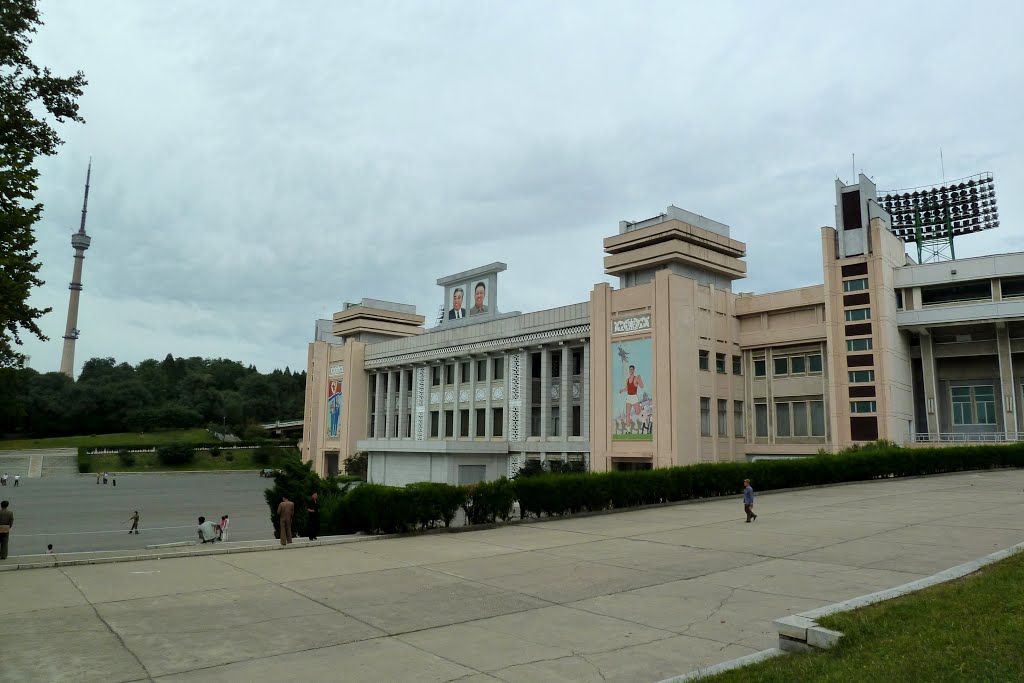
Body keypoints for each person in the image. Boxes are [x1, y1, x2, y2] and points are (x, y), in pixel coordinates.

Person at [618, 365, 645, 429]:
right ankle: (628, 430)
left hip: (634, 397)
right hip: (629, 397)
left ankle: (641, 407)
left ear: (634, 370)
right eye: (630, 369)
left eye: (632, 369)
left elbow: (642, 386)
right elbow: (627, 388)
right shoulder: (627, 380)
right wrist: (622, 390)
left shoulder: (636, 378)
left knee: (638, 412)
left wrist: (640, 379)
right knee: (627, 414)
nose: (631, 370)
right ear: (629, 370)